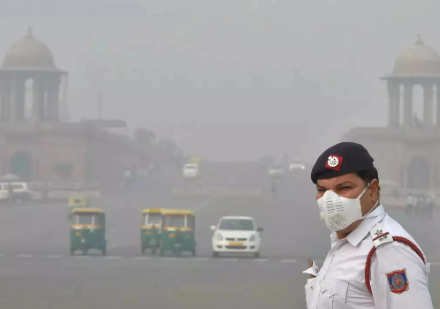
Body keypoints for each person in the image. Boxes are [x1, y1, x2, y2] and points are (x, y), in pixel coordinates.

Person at [304, 142, 433, 309]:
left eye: (343, 188)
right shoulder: (347, 241)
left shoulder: (388, 251)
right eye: (322, 190)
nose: (330, 200)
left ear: (372, 191)